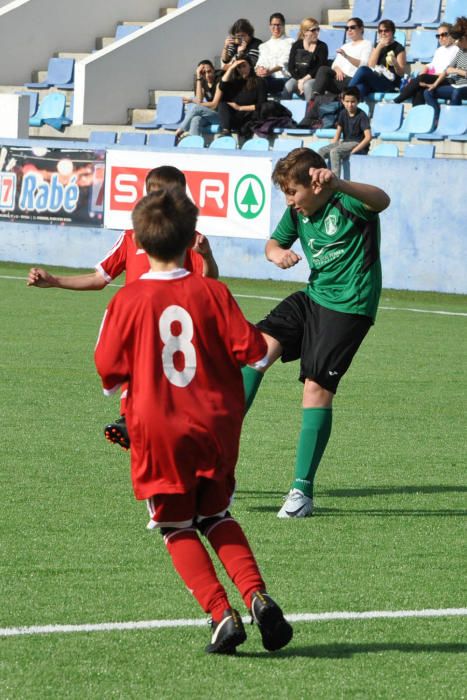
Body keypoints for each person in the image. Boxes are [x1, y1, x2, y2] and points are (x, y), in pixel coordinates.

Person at [94, 186, 293, 654]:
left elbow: (107, 371)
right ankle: (258, 597)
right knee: (217, 515)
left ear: (139, 244)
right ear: (192, 239)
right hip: (216, 426)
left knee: (177, 526)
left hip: (158, 429)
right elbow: (256, 352)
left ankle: (221, 614)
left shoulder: (128, 300)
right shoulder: (213, 292)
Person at [241, 147, 390, 518]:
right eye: (285, 194)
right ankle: (217, 455)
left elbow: (382, 200)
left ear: (316, 183)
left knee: (315, 386)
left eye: (293, 192)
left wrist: (339, 182)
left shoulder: (346, 201)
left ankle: (302, 492)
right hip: (313, 297)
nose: (290, 202)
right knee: (253, 351)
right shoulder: (298, 212)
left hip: (350, 306)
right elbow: (274, 244)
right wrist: (275, 254)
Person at [27, 166, 219, 450]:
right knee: (134, 369)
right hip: (136, 321)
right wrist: (55, 281)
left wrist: (207, 255)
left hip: (172, 327)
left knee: (167, 389)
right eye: (156, 195)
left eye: (170, 195)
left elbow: (208, 282)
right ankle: (132, 423)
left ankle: (140, 426)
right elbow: (98, 278)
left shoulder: (189, 238)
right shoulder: (131, 237)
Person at [393, 24, 459, 106]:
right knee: (420, 89)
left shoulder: (456, 50)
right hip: (435, 78)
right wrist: (425, 69)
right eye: (438, 35)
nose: (440, 37)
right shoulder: (439, 50)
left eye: (444, 34)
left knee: (422, 78)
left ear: (451, 34)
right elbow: (431, 65)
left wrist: (426, 75)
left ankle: (399, 98)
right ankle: (417, 114)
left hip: (447, 79)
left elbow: (450, 71)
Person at [312, 17, 373, 96]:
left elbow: (364, 65)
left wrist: (347, 56)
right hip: (340, 79)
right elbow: (334, 64)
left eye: (352, 27)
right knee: (323, 69)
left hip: (353, 80)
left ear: (361, 29)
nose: (349, 30)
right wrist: (337, 69)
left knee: (319, 82)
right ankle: (315, 98)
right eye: (347, 28)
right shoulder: (345, 46)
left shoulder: (367, 44)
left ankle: (317, 100)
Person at [318, 87, 372, 176]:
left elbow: (368, 137)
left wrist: (354, 151)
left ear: (358, 101)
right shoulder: (342, 113)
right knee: (321, 151)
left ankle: (336, 182)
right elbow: (338, 134)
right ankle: (322, 177)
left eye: (353, 102)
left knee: (335, 152)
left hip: (357, 143)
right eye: (347, 101)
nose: (350, 105)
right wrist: (332, 145)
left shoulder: (362, 116)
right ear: (342, 101)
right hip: (345, 143)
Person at [348, 19, 407, 99]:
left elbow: (401, 73)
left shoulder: (398, 48)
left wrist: (395, 63)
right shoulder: (377, 46)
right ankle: (344, 106)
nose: (383, 33)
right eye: (380, 31)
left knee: (363, 69)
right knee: (360, 88)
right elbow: (371, 65)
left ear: (392, 32)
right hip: (376, 79)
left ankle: (343, 95)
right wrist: (379, 47)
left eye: (386, 30)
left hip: (389, 83)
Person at [422, 17, 467, 120]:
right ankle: (438, 118)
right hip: (456, 86)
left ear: (464, 38)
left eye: (458, 40)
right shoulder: (461, 51)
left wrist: (456, 71)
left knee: (457, 92)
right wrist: (434, 84)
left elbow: (452, 70)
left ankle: (453, 121)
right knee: (428, 92)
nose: (456, 43)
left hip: (463, 88)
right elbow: (447, 70)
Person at [217, 57, 267, 140]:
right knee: (222, 104)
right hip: (236, 116)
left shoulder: (259, 81)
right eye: (239, 67)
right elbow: (222, 86)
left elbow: (262, 105)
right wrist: (231, 68)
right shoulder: (235, 81)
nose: (241, 69)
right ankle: (226, 131)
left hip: (250, 115)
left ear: (250, 66)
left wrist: (240, 108)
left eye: (244, 66)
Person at [282, 17, 328, 101]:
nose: (317, 32)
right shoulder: (297, 45)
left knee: (307, 85)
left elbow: (319, 67)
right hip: (298, 78)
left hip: (314, 78)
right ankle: (283, 112)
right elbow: (291, 67)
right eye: (313, 30)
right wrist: (299, 80)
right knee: (288, 85)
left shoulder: (322, 46)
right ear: (304, 32)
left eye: (318, 29)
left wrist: (303, 80)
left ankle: (310, 112)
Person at [175, 60, 222, 140]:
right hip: (210, 115)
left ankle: (180, 130)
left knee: (196, 108)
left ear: (213, 69)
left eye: (209, 71)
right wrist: (198, 77)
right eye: (203, 73)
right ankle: (194, 145)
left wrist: (194, 101)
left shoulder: (219, 82)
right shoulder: (203, 82)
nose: (207, 75)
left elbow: (214, 105)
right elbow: (199, 99)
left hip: (221, 117)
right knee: (195, 119)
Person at [255, 12, 293, 96]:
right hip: (267, 78)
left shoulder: (290, 42)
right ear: (269, 26)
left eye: (279, 25)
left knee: (260, 84)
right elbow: (261, 62)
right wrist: (260, 69)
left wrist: (269, 71)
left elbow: (283, 62)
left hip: (283, 78)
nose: (276, 28)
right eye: (273, 25)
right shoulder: (264, 46)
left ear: (283, 26)